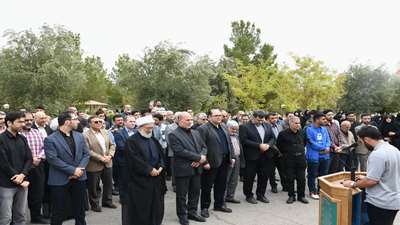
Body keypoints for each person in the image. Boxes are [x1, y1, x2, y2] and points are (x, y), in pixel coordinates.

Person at [342, 126, 400, 225]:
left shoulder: (377, 154)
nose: (362, 145)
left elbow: (371, 181)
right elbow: (388, 173)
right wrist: (366, 177)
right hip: (393, 200)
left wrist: (352, 184)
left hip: (381, 202)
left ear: (367, 139)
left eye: (361, 142)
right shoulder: (393, 149)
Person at [44, 112, 90, 225]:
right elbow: (53, 159)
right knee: (58, 211)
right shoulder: (50, 139)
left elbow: (86, 154)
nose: (78, 121)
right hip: (59, 179)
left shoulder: (80, 135)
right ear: (67, 122)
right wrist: (72, 170)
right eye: (75, 119)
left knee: (80, 210)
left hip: (79, 177)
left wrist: (79, 169)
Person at [124, 115, 166, 225]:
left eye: (152, 128)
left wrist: (160, 166)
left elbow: (161, 155)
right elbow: (134, 159)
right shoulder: (131, 141)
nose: (150, 130)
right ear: (141, 128)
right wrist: (149, 170)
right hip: (140, 181)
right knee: (142, 209)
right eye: (148, 128)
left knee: (156, 207)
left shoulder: (153, 139)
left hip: (156, 179)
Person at [169, 112, 207, 225]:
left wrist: (201, 157)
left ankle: (192, 212)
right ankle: (182, 215)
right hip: (183, 168)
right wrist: (198, 158)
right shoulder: (173, 134)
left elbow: (204, 147)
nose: (190, 121)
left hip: (197, 167)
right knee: (182, 194)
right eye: (187, 119)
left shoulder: (196, 132)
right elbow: (179, 151)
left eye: (191, 119)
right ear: (179, 120)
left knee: (195, 192)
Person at [197, 109, 235, 218]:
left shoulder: (223, 126)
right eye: (216, 115)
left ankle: (219, 204)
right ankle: (204, 208)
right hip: (211, 162)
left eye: (220, 115)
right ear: (209, 117)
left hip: (224, 161)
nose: (219, 117)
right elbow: (200, 146)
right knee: (207, 186)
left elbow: (229, 143)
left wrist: (231, 157)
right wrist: (205, 162)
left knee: (221, 184)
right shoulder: (203, 129)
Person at [0, 111, 32, 225]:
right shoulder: (1, 139)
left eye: (23, 121)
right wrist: (17, 178)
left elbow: (29, 159)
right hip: (6, 184)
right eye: (19, 122)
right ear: (9, 123)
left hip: (22, 183)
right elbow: (3, 163)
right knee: (5, 218)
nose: (23, 124)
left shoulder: (23, 138)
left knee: (21, 216)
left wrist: (22, 175)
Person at [239, 110, 276, 204]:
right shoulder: (244, 127)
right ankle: (249, 195)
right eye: (258, 120)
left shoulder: (267, 125)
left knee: (264, 176)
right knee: (249, 177)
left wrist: (268, 145)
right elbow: (244, 141)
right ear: (253, 117)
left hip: (266, 155)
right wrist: (258, 145)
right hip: (252, 156)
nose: (260, 122)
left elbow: (272, 138)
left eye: (262, 120)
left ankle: (261, 194)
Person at [20, 112, 49, 224]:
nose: (28, 122)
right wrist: (32, 159)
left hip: (38, 166)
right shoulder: (18, 134)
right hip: (22, 168)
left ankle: (36, 216)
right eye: (25, 120)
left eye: (30, 120)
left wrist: (39, 157)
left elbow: (44, 147)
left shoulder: (37, 132)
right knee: (21, 195)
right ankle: (18, 218)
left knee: (38, 192)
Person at [84, 116, 116, 212]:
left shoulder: (105, 132)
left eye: (100, 122)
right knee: (94, 186)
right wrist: (101, 158)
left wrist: (110, 156)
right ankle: (95, 204)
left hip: (108, 162)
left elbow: (112, 145)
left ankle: (107, 201)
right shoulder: (85, 135)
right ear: (90, 123)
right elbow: (87, 150)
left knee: (108, 183)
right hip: (94, 163)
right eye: (96, 122)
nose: (99, 123)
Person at [277, 116, 309, 204]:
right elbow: (279, 145)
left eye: (299, 123)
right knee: (290, 179)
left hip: (301, 159)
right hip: (289, 159)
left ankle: (301, 196)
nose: (298, 125)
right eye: (296, 123)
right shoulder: (283, 134)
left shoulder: (302, 133)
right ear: (290, 123)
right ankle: (291, 196)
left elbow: (304, 143)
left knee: (301, 179)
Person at [113, 115, 136, 225]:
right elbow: (121, 147)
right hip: (123, 162)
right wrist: (136, 150)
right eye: (131, 121)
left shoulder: (137, 132)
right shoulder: (119, 133)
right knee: (123, 181)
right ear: (125, 123)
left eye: (134, 121)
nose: (133, 123)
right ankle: (123, 198)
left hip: (135, 162)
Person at [305, 112, 331, 200]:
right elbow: (311, 142)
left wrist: (327, 146)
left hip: (325, 156)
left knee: (323, 175)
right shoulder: (309, 129)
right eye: (323, 119)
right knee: (312, 175)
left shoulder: (324, 129)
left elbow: (328, 140)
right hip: (313, 156)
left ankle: (321, 191)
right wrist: (323, 148)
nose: (325, 121)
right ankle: (312, 191)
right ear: (316, 120)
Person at [267, 112, 287, 193]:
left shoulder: (280, 126)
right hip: (270, 152)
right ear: (268, 119)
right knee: (271, 171)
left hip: (281, 152)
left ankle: (285, 186)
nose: (274, 120)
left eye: (275, 118)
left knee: (283, 170)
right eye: (272, 118)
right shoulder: (266, 127)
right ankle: (273, 186)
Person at [225, 120, 243, 204]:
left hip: (237, 158)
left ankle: (230, 196)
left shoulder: (236, 136)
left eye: (236, 129)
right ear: (227, 128)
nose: (235, 131)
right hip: (229, 159)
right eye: (233, 129)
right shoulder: (225, 136)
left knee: (234, 179)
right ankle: (222, 198)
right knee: (226, 179)